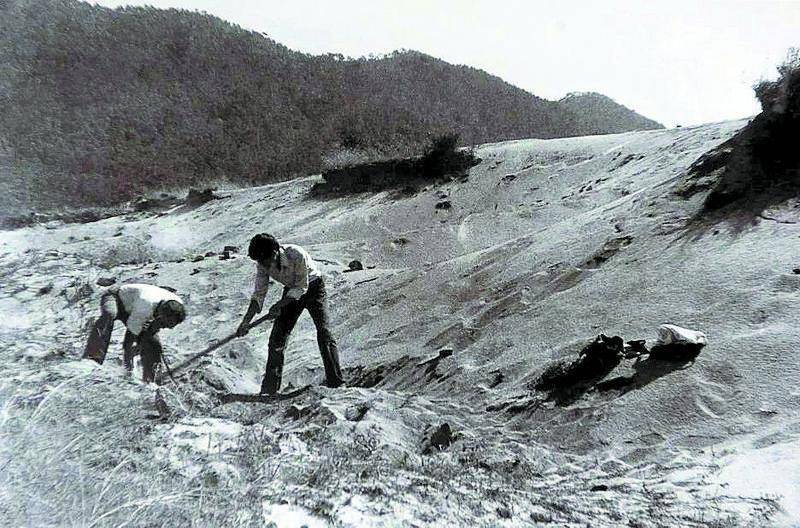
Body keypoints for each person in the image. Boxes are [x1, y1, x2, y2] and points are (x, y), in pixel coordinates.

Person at [236, 233, 344, 394]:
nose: (263, 265)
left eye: (265, 260)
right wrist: (245, 321)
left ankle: (336, 384)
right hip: (290, 292)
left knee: (324, 332)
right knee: (276, 340)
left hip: (314, 287)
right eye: (260, 262)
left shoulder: (296, 253)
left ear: (274, 253)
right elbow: (259, 294)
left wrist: (279, 305)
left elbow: (302, 287)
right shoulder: (262, 264)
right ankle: (269, 389)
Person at [83, 283, 186, 382]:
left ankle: (151, 379)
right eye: (166, 324)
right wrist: (129, 369)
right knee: (110, 314)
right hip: (117, 298)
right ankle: (93, 358)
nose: (168, 328)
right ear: (161, 315)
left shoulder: (177, 304)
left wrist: (143, 346)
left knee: (154, 344)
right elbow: (128, 341)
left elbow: (150, 331)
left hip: (135, 307)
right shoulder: (145, 306)